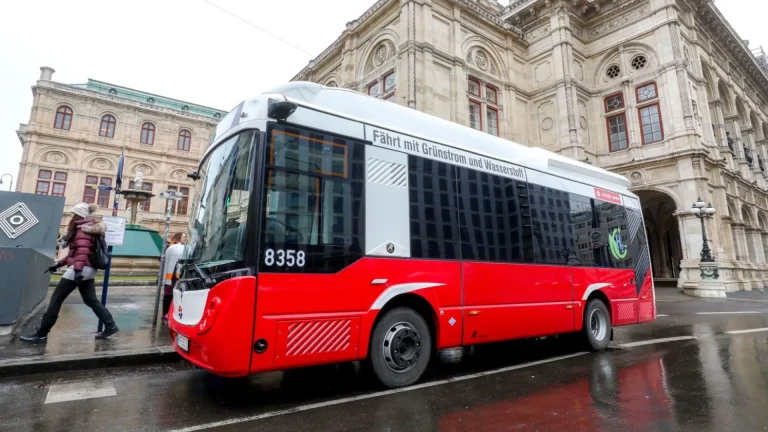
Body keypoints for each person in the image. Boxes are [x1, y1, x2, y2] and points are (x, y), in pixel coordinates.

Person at [21, 203, 119, 342]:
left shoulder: (83, 230)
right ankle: (110, 326)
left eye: (74, 214)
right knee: (91, 300)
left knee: (56, 299)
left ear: (79, 215)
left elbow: (82, 253)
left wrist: (78, 271)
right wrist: (59, 264)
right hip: (87, 269)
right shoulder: (86, 229)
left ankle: (42, 333)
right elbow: (75, 254)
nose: (71, 217)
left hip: (81, 269)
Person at [162, 232, 186, 317]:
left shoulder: (184, 248)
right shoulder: (172, 248)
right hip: (172, 276)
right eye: (183, 237)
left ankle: (167, 313)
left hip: (175, 276)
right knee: (169, 295)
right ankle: (166, 313)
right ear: (178, 238)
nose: (185, 238)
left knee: (173, 295)